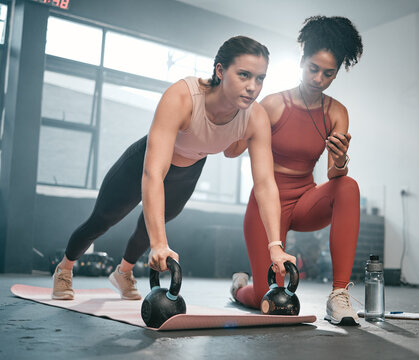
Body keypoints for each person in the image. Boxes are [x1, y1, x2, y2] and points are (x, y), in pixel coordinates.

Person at [51, 36, 289, 301]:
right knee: (102, 220)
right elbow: (153, 172)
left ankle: (123, 272)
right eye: (244, 75)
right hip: (144, 163)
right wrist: (159, 245)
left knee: (151, 226)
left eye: (260, 79)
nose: (252, 87)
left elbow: (265, 184)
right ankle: (65, 268)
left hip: (187, 172)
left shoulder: (255, 117)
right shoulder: (183, 97)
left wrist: (275, 246)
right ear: (220, 71)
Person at [228, 16, 364, 325]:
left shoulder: (336, 112)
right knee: (269, 300)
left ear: (337, 72)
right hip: (267, 206)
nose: (318, 79)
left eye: (328, 73)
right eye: (313, 69)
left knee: (349, 186)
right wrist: (238, 115)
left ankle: (339, 295)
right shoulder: (274, 104)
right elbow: (232, 150)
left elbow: (334, 176)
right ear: (301, 61)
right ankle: (240, 288)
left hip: (304, 201)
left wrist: (341, 160)